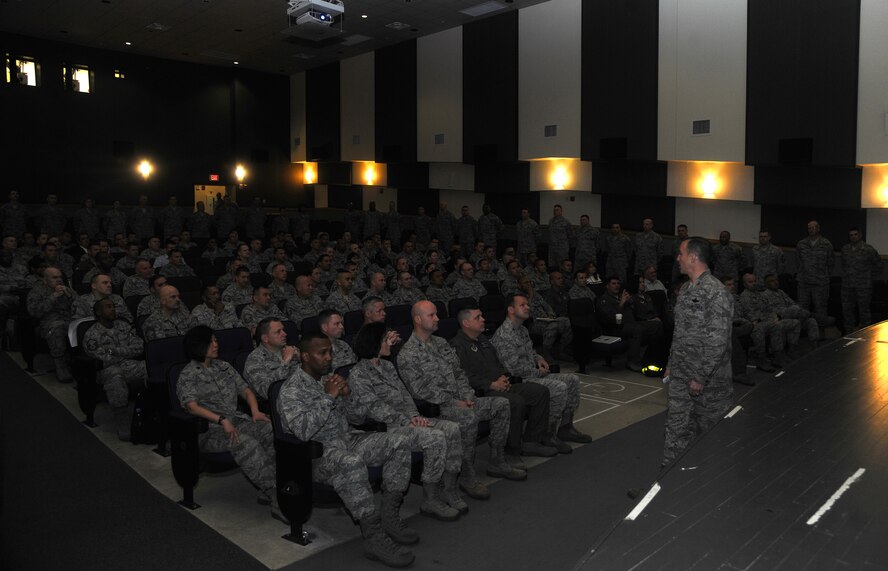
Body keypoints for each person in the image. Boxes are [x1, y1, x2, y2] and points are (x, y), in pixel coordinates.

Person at [277, 333, 417, 567]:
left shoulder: (329, 379)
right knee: (350, 462)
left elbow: (357, 418)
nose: (329, 357)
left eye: (330, 351)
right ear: (304, 356)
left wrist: (348, 396)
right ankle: (373, 536)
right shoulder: (291, 390)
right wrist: (329, 397)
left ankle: (390, 514)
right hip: (317, 455)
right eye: (322, 353)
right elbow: (302, 432)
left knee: (398, 442)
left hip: (348, 438)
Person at [398, 301, 525, 500]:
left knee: (501, 404)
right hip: (438, 408)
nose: (437, 318)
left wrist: (467, 395)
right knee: (467, 417)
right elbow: (420, 391)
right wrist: (455, 402)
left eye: (436, 314)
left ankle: (497, 460)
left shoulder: (441, 344)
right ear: (418, 319)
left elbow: (459, 373)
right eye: (431, 315)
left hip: (462, 400)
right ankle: (467, 476)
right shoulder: (408, 354)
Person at [349, 322, 464, 519]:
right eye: (385, 340)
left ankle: (449, 488)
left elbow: (405, 396)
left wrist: (414, 416)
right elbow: (375, 408)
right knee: (435, 437)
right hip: (387, 429)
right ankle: (430, 499)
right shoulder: (358, 373)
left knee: (452, 428)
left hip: (407, 421)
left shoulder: (387, 366)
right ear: (374, 344)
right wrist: (406, 421)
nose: (390, 343)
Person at [177, 325, 282, 521]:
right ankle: (276, 496)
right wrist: (221, 419)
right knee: (245, 443)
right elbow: (191, 406)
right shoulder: (188, 374)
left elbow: (247, 391)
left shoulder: (224, 366)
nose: (216, 344)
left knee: (268, 430)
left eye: (216, 340)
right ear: (198, 346)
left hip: (236, 420)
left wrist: (255, 410)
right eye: (211, 341)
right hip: (210, 431)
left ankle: (269, 483)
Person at [662, 237, 733, 466]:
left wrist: (701, 376)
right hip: (681, 375)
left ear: (693, 257)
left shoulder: (716, 292)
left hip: (709, 382)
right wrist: (671, 364)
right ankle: (667, 479)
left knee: (711, 432)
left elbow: (718, 340)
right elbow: (679, 332)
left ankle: (709, 487)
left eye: (681, 253)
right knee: (676, 427)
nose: (678, 258)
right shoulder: (684, 288)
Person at [450, 306, 558, 459]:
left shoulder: (483, 340)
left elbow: (499, 363)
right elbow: (463, 375)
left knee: (539, 392)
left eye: (482, 316)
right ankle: (513, 449)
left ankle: (532, 441)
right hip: (481, 391)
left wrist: (503, 376)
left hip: (501, 384)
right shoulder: (457, 345)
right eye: (478, 317)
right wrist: (491, 384)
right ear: (466, 323)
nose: (483, 319)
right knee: (516, 401)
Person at [491, 294, 592, 449]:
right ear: (511, 309)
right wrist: (539, 372)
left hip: (532, 373)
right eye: (522, 305)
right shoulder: (504, 335)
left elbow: (530, 352)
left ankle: (565, 427)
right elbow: (514, 370)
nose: (528, 307)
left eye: (527, 304)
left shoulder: (522, 330)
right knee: (559, 387)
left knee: (573, 380)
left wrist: (538, 358)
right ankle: (547, 434)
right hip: (520, 381)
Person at [82, 298, 147, 440]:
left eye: (113, 306)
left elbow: (139, 346)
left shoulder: (123, 326)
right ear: (98, 312)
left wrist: (115, 351)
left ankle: (150, 412)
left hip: (128, 364)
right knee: (115, 377)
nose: (112, 309)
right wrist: (124, 352)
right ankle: (122, 421)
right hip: (105, 371)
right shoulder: (92, 335)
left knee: (150, 368)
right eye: (107, 307)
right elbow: (102, 359)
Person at [26, 266, 75, 381]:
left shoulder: (67, 289)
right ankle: (60, 367)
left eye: (60, 277)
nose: (59, 280)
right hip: (48, 323)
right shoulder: (37, 291)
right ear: (45, 280)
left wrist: (70, 297)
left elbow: (81, 305)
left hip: (70, 320)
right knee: (57, 329)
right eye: (54, 277)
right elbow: (34, 312)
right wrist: (53, 297)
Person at [243, 317, 300, 402]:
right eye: (278, 332)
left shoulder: (290, 350)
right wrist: (285, 362)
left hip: (301, 395)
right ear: (265, 338)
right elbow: (267, 392)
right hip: (279, 404)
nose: (284, 334)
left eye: (283, 330)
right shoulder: (254, 360)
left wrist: (302, 360)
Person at [840, 227, 882, 333]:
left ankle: (865, 334)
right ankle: (848, 334)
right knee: (847, 311)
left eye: (855, 234)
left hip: (863, 286)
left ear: (860, 235)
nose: (853, 237)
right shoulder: (845, 249)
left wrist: (868, 277)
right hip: (848, 286)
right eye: (851, 235)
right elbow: (844, 265)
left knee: (864, 311)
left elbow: (879, 265)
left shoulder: (868, 249)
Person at [796, 221, 834, 321]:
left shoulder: (826, 244)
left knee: (821, 309)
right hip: (804, 283)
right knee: (802, 309)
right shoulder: (801, 244)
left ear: (818, 229)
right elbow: (798, 262)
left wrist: (823, 276)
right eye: (809, 228)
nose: (811, 230)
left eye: (814, 228)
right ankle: (803, 332)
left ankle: (820, 334)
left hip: (820, 283)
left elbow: (831, 263)